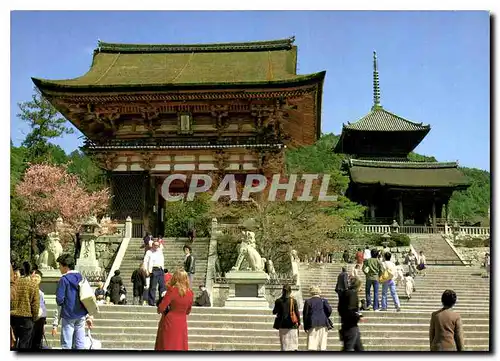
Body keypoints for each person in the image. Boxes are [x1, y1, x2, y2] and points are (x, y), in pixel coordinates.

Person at [52, 254, 93, 349]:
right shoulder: (81, 277)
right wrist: (89, 316)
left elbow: (59, 300)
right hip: (81, 314)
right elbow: (87, 296)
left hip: (68, 314)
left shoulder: (63, 279)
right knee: (80, 343)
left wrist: (55, 323)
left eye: (60, 266)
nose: (59, 268)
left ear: (65, 267)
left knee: (66, 343)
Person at [155, 270, 194, 350]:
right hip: (182, 321)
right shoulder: (190, 293)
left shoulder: (172, 290)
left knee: (168, 344)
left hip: (170, 321)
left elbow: (161, 308)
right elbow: (188, 311)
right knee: (179, 345)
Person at [11, 261, 40, 349]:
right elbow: (35, 305)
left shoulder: (13, 284)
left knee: (12, 343)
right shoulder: (33, 285)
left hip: (12, 317)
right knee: (24, 344)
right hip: (27, 319)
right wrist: (34, 318)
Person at [302, 286, 332, 351]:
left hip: (312, 323)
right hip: (323, 323)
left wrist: (305, 327)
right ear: (319, 292)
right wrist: (324, 316)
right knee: (322, 344)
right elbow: (329, 310)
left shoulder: (308, 301)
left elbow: (305, 315)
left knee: (312, 344)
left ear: (311, 292)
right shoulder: (323, 300)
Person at [338, 277, 364, 351]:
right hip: (351, 325)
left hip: (347, 324)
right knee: (348, 347)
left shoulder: (345, 293)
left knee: (359, 348)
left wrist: (359, 314)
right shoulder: (352, 294)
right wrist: (358, 317)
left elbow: (342, 309)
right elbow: (351, 309)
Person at [272, 284, 300, 351]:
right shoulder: (293, 301)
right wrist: (299, 322)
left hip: (282, 325)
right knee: (293, 345)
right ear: (290, 291)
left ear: (282, 291)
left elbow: (274, 312)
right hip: (292, 325)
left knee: (284, 345)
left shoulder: (278, 301)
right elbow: (297, 313)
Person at [144, 241, 166, 306]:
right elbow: (145, 261)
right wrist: (146, 270)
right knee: (153, 287)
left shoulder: (160, 251)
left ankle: (162, 302)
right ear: (152, 245)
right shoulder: (149, 252)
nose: (156, 246)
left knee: (162, 287)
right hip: (154, 269)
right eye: (155, 245)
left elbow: (162, 259)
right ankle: (151, 302)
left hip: (161, 270)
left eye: (157, 245)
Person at [30, 270, 47, 350]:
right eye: (35, 276)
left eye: (38, 277)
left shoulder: (41, 293)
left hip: (41, 320)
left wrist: (44, 323)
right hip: (32, 318)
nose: (36, 279)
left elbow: (43, 307)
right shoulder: (29, 290)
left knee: (37, 342)